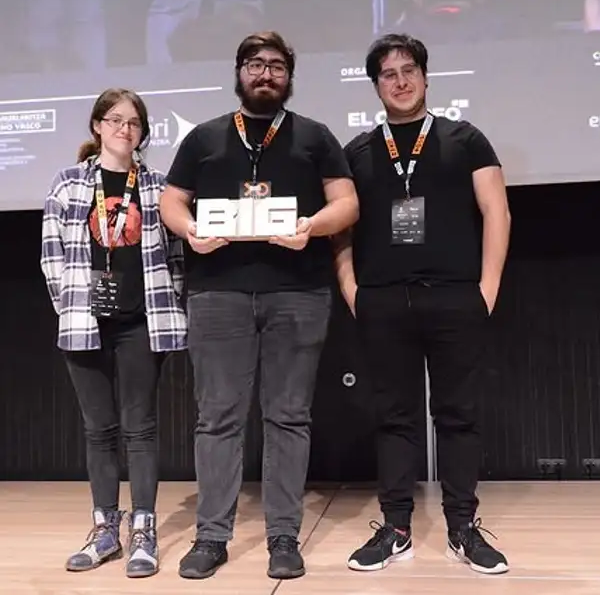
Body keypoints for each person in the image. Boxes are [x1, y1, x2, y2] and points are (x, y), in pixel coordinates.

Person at [159, 31, 359, 580]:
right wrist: (192, 231)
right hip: (217, 294)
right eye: (254, 64)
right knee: (217, 418)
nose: (264, 74)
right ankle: (210, 537)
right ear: (239, 72)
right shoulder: (203, 138)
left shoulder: (314, 137)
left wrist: (313, 228)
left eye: (275, 65)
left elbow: (347, 203)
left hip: (298, 291)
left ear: (289, 76)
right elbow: (171, 202)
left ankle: (283, 536)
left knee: (288, 416)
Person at [335, 33, 511, 574]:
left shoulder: (466, 139)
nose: (401, 81)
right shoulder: (359, 152)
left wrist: (487, 291)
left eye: (409, 70)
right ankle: (395, 528)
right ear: (376, 86)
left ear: (426, 77)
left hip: (457, 296)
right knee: (394, 417)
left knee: (458, 415)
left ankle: (462, 526)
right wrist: (352, 290)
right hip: (383, 301)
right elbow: (340, 227)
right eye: (389, 74)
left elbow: (496, 212)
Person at [40, 88, 187, 578]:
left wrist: (170, 303)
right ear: (98, 126)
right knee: (98, 430)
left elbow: (177, 257)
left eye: (135, 123)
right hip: (86, 323)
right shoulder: (68, 184)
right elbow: (51, 254)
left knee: (140, 427)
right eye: (117, 120)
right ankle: (105, 529)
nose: (126, 130)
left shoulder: (159, 186)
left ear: (143, 133)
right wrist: (71, 306)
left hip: (140, 322)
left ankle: (143, 531)